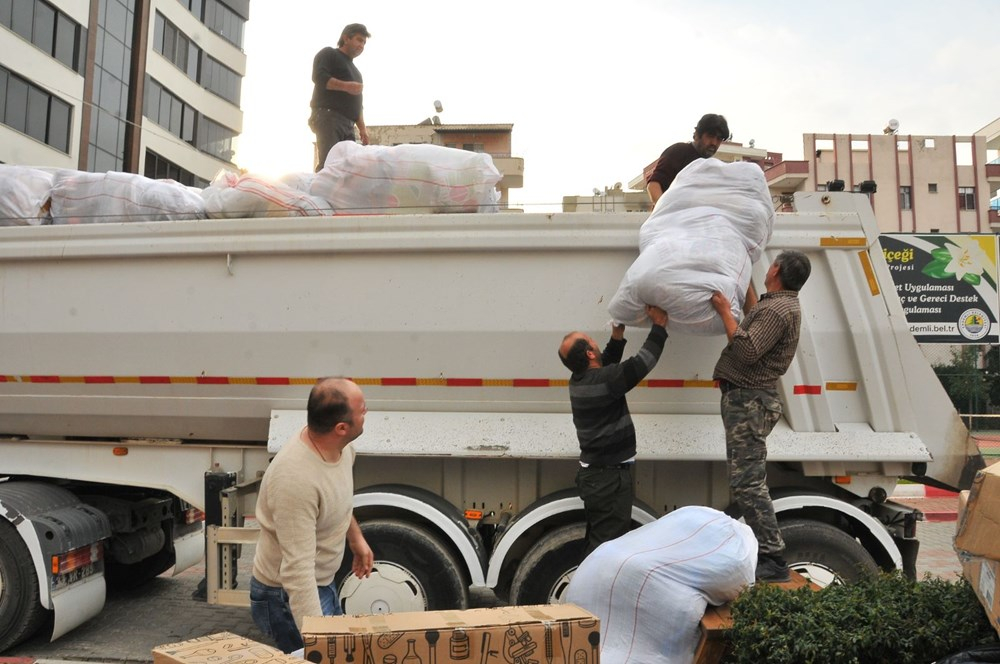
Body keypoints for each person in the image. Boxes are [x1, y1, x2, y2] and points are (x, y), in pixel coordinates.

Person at [250, 377, 374, 653]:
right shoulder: (296, 480)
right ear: (341, 427)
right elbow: (297, 572)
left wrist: (356, 539)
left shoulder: (341, 449)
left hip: (322, 581)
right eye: (362, 409)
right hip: (284, 595)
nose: (367, 413)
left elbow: (337, 500)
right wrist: (320, 640)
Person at [710, 250, 812, 583]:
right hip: (747, 401)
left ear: (777, 269)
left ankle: (772, 557)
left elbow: (748, 350)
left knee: (747, 483)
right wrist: (744, 281)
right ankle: (764, 550)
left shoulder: (779, 310)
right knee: (745, 480)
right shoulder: (778, 305)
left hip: (750, 402)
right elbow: (757, 316)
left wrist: (725, 311)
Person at [558, 305, 669, 558]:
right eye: (591, 340)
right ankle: (594, 596)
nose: (595, 341)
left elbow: (605, 368)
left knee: (601, 544)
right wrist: (659, 327)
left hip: (599, 479)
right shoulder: (604, 381)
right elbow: (643, 362)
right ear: (589, 353)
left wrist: (617, 337)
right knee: (607, 552)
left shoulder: (580, 381)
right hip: (607, 481)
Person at [309, 23, 371, 172]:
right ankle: (319, 193)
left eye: (364, 42)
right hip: (329, 116)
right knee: (330, 164)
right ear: (346, 38)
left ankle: (337, 195)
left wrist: (362, 129)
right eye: (358, 40)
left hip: (348, 125)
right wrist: (346, 86)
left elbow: (358, 103)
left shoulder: (357, 72)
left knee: (347, 168)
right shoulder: (329, 54)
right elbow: (319, 77)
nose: (361, 45)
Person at [646, 113, 730, 205]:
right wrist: (666, 211)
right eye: (710, 136)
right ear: (698, 134)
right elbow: (653, 185)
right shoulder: (678, 151)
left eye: (719, 139)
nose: (714, 143)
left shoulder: (712, 166)